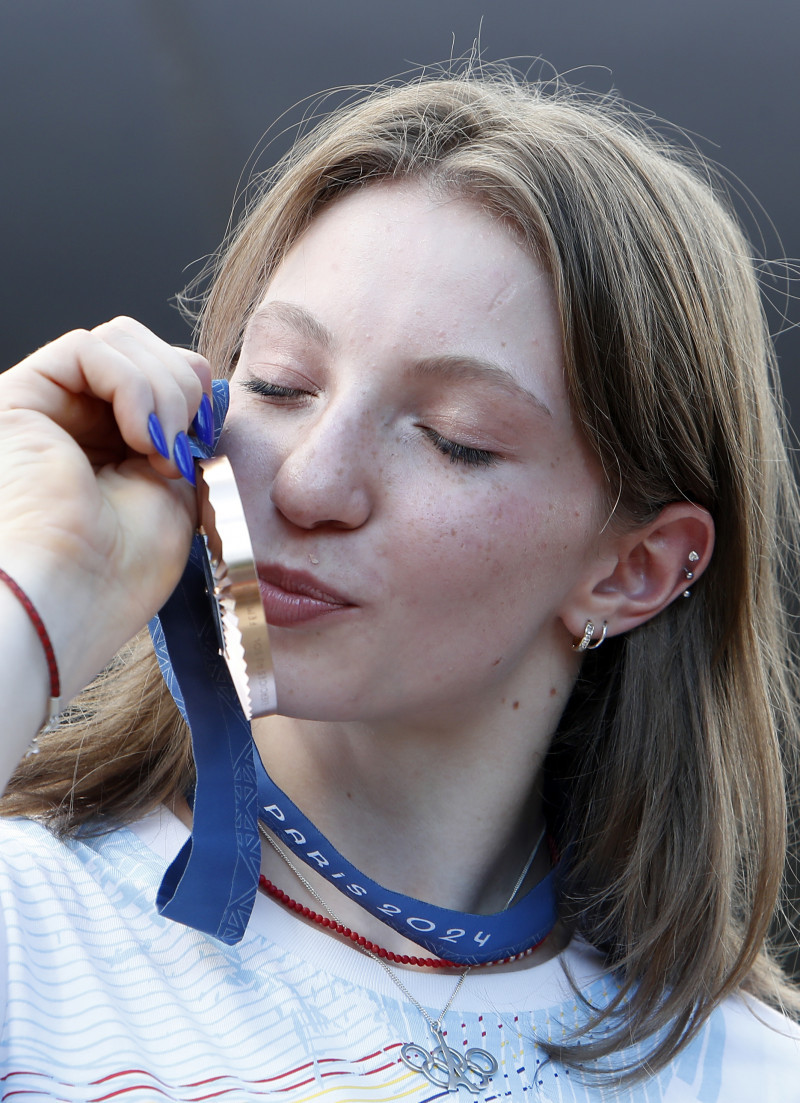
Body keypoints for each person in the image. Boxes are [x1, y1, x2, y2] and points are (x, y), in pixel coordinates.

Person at [0, 70, 798, 1102]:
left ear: (630, 570)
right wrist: (35, 587)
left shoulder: (748, 1073)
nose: (310, 479)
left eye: (451, 438)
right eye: (279, 381)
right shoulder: (31, 925)